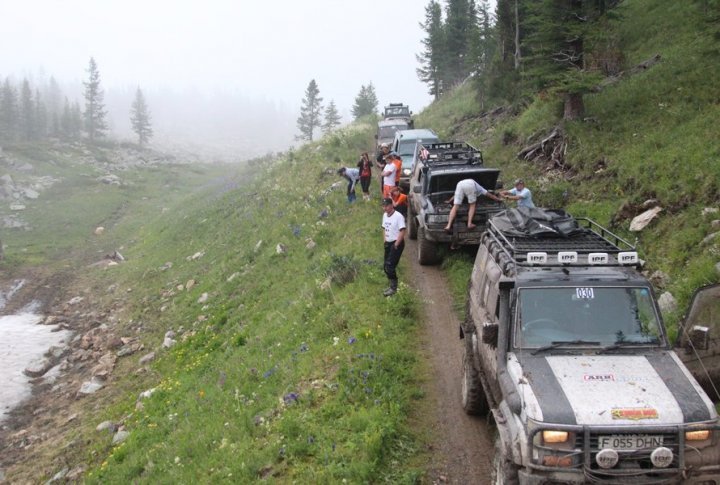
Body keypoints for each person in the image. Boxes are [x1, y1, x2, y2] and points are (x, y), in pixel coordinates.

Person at [381, 197, 406, 296]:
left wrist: (396, 244)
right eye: (383, 206)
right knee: (386, 266)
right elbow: (383, 228)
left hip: (396, 243)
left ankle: (393, 288)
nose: (385, 208)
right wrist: (385, 241)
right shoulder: (385, 215)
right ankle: (391, 284)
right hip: (388, 243)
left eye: (386, 206)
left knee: (390, 266)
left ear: (391, 205)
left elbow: (403, 230)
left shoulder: (398, 216)